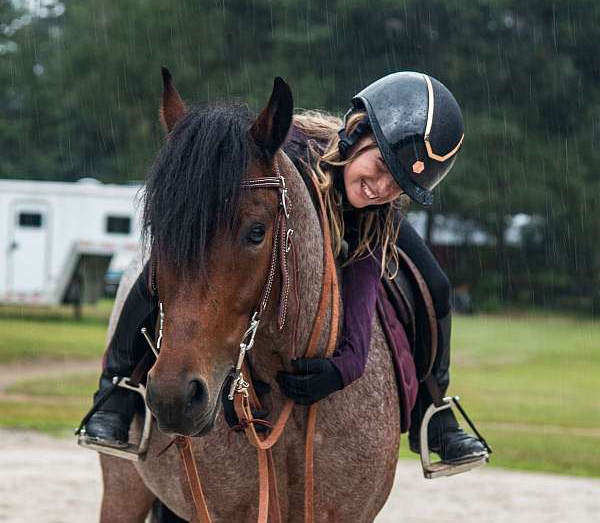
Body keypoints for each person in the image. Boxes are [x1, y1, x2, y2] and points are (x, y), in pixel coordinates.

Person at [80, 71, 488, 465]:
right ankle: (116, 390)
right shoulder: (290, 147)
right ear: (357, 133)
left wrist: (344, 367)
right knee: (169, 265)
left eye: (400, 185)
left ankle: (435, 411)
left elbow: (363, 288)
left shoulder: (377, 207)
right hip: (249, 219)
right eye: (381, 167)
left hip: (353, 233)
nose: (381, 188)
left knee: (434, 282)